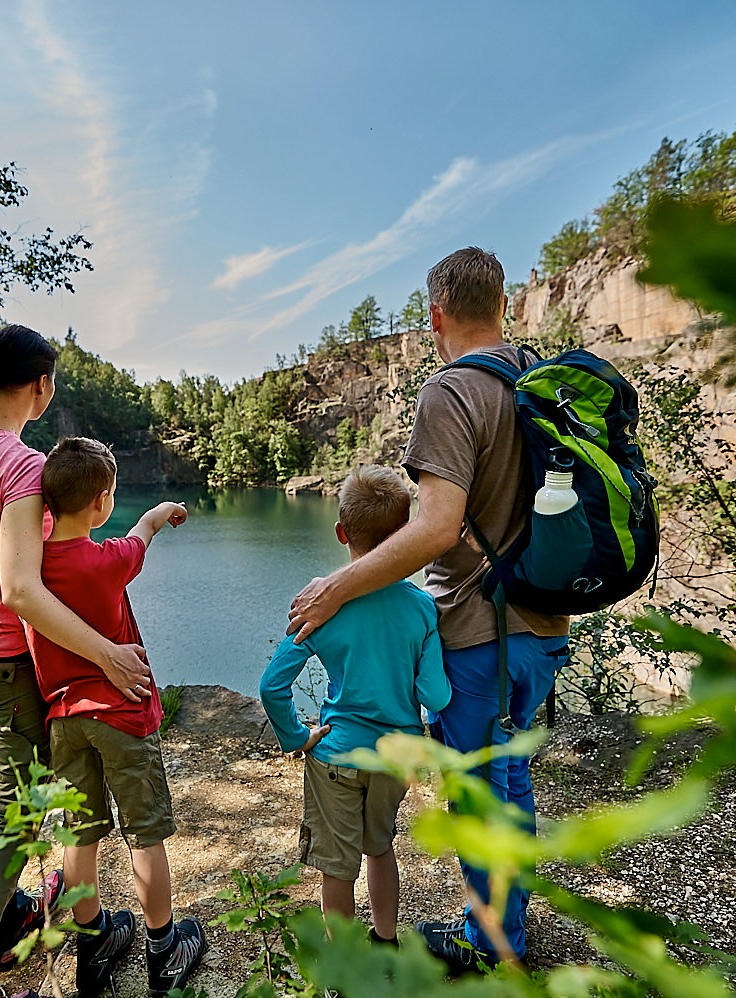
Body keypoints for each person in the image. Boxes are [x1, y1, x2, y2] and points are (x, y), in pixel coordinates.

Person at [287, 247, 571, 971]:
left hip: (480, 632)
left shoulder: (453, 390)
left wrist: (337, 587)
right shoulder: (536, 378)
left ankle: (493, 949)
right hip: (542, 627)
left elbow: (438, 526)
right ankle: (506, 929)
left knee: (479, 794)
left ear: (436, 315)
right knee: (510, 779)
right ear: (502, 306)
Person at [0, 326, 154, 998]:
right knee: (15, 822)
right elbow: (21, 590)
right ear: (41, 385)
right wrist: (107, 653)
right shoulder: (23, 466)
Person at [29, 436, 206, 998]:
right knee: (145, 838)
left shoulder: (30, 571)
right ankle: (163, 950)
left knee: (80, 837)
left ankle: (94, 944)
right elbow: (140, 538)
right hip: (121, 719)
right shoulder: (105, 561)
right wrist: (157, 513)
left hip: (63, 720)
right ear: (102, 502)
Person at [259, 465, 451, 944]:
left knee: (336, 868)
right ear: (405, 535)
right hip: (397, 756)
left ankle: (344, 966)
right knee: (381, 850)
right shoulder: (422, 607)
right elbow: (436, 696)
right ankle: (385, 939)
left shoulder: (322, 605)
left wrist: (297, 737)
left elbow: (272, 686)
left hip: (336, 756)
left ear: (341, 531)